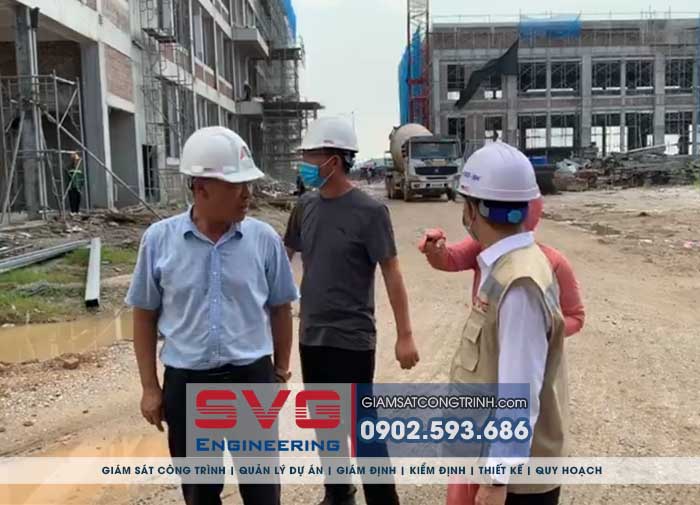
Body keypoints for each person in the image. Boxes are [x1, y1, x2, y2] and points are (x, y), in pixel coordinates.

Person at [126, 127, 298, 505]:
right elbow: (144, 316)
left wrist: (280, 372)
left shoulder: (264, 240)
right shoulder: (159, 240)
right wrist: (150, 388)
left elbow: (281, 308)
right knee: (200, 493)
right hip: (187, 384)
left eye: (248, 184)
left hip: (251, 379)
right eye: (237, 186)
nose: (248, 194)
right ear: (201, 188)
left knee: (263, 493)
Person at [284, 117, 419, 505]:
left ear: (335, 159)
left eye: (311, 156)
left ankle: (383, 499)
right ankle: (338, 492)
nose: (306, 164)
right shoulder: (305, 206)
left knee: (362, 426)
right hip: (312, 334)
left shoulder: (370, 212)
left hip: (353, 337)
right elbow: (283, 256)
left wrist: (405, 335)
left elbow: (392, 272)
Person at [443, 142, 569, 505]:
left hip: (515, 484)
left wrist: (497, 478)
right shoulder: (511, 264)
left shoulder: (519, 283)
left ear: (472, 210)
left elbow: (518, 391)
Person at [419, 195, 585, 337]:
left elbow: (575, 316)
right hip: (486, 347)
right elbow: (450, 260)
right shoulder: (481, 246)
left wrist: (540, 331)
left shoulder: (554, 262)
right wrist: (435, 250)